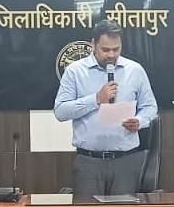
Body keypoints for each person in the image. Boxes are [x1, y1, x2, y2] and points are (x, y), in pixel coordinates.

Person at [53, 20, 158, 196]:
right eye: (105, 49)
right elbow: (61, 111)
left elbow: (150, 107)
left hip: (126, 161)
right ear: (93, 44)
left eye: (116, 49)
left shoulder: (135, 70)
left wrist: (140, 121)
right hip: (89, 162)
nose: (111, 55)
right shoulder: (75, 71)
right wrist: (96, 99)